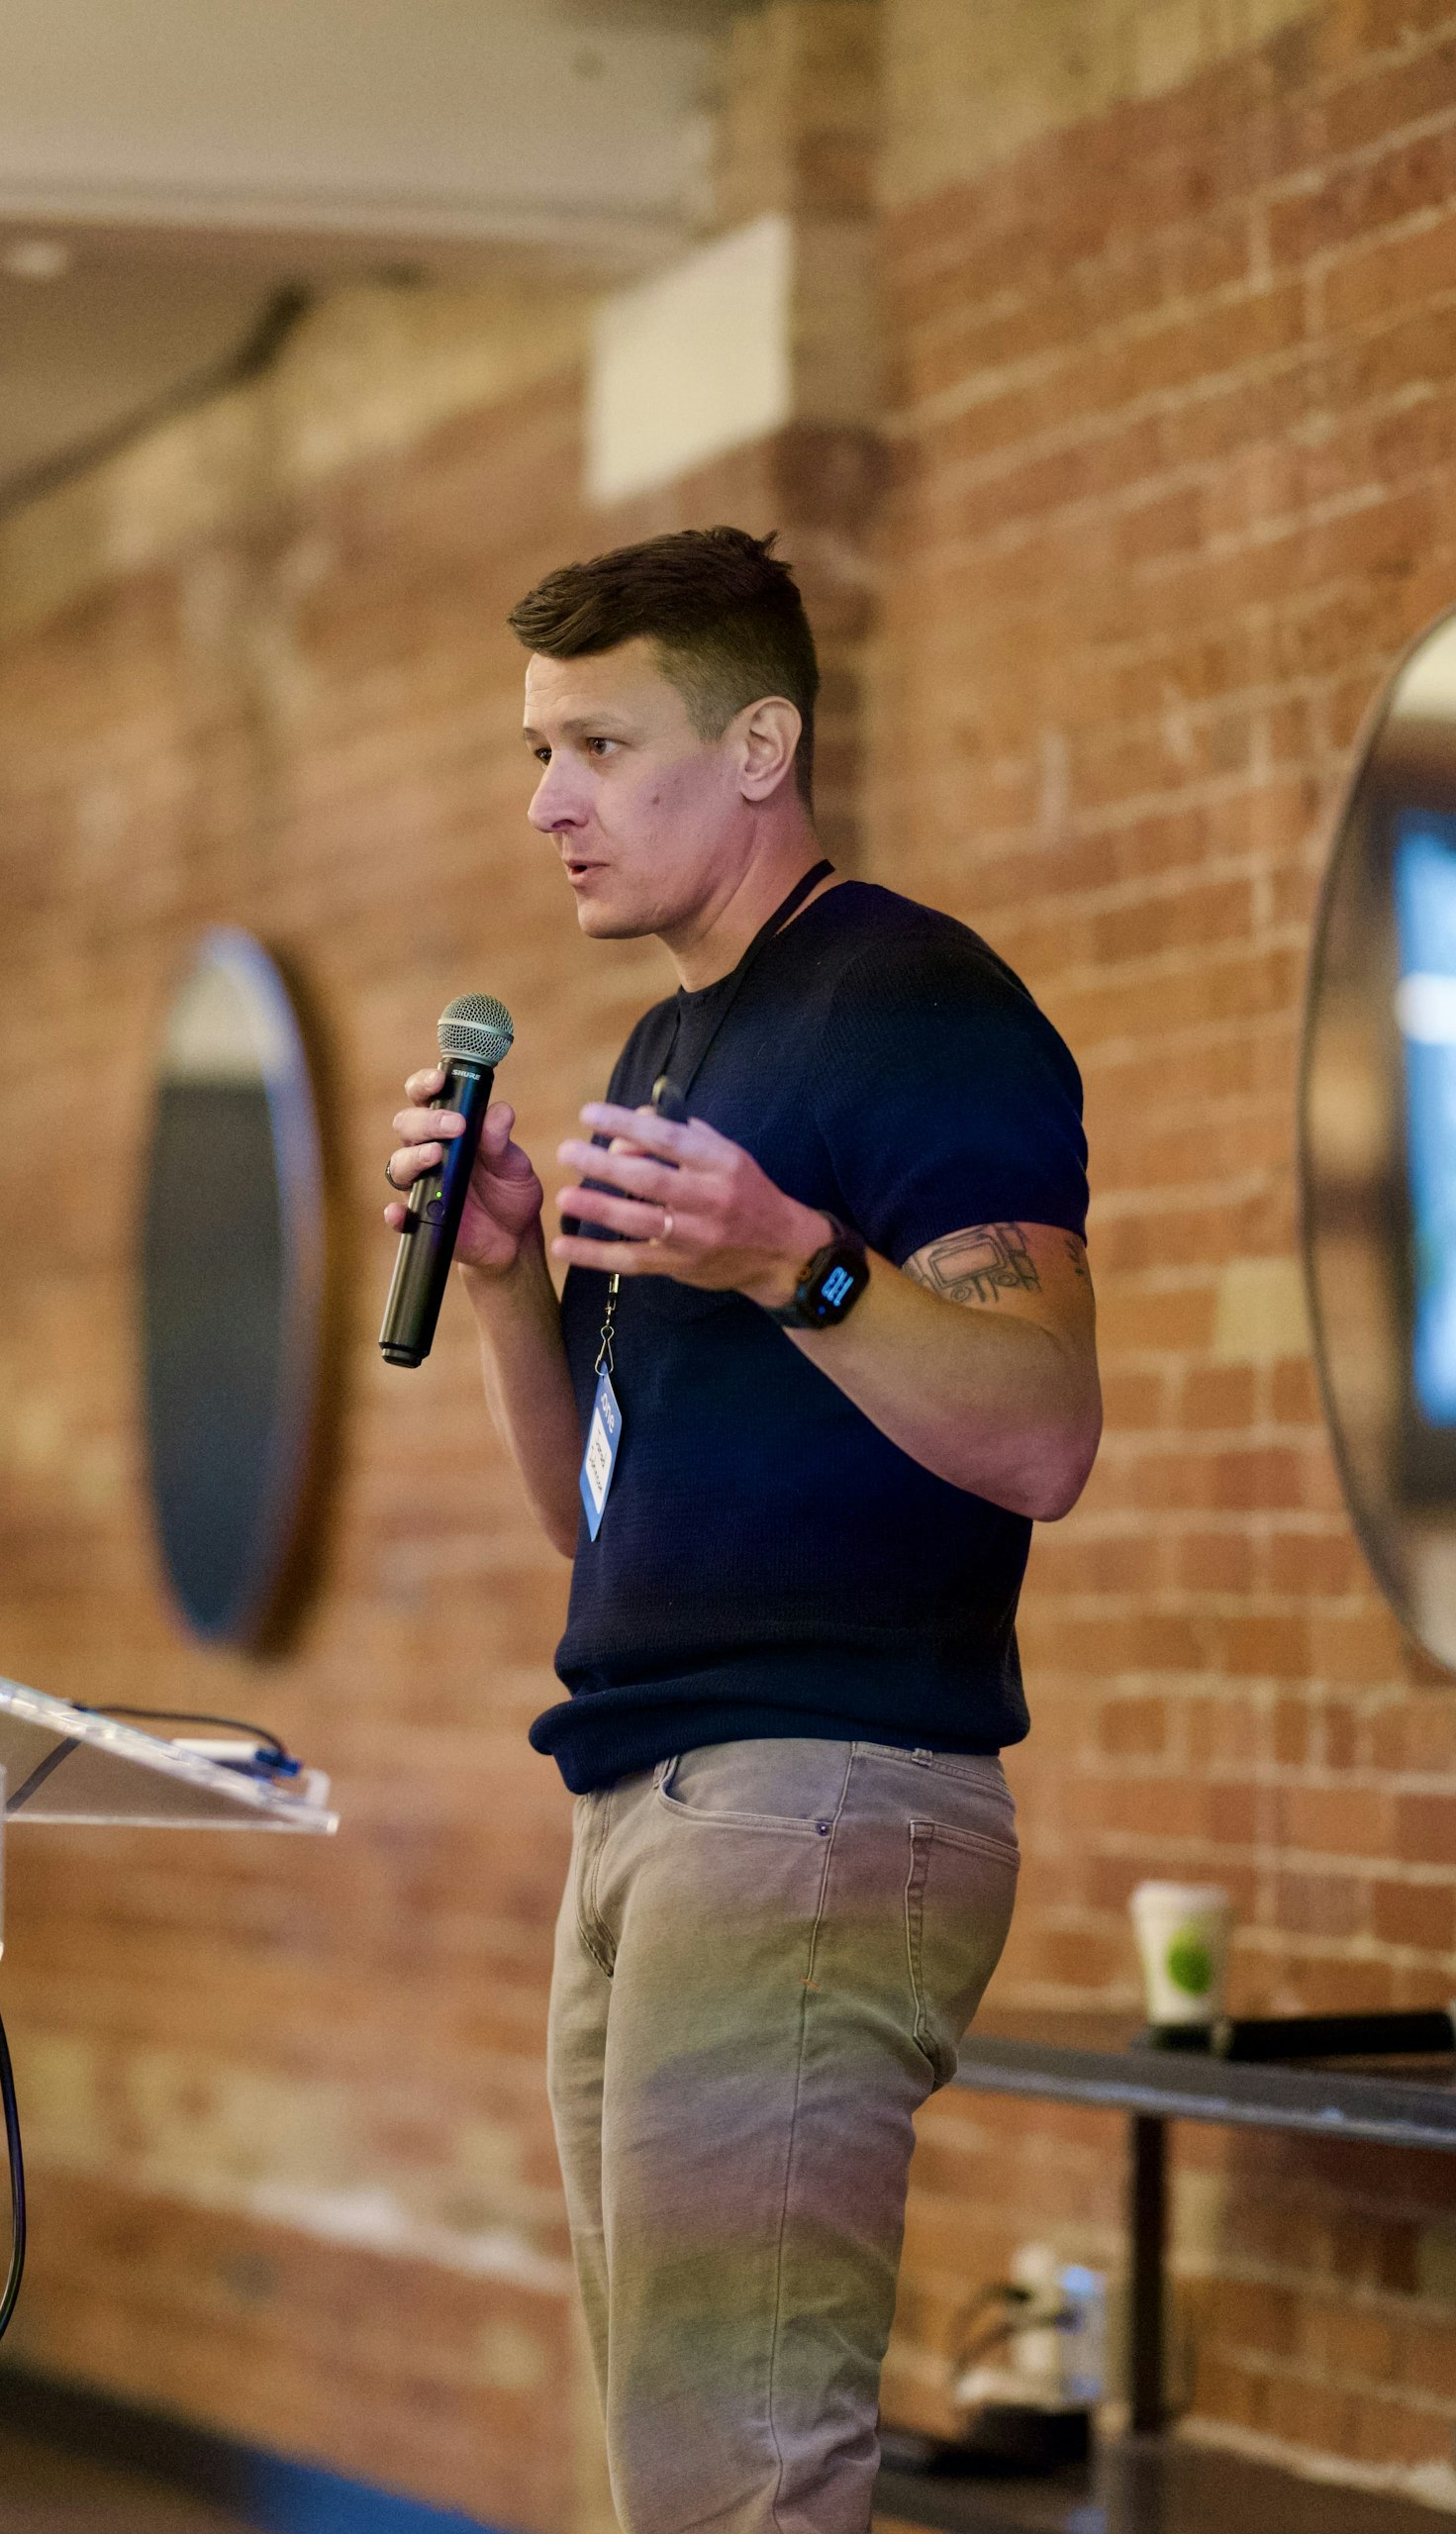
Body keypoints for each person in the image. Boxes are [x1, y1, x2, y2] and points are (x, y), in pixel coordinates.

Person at [382, 527, 1102, 2532]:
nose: (547, 802)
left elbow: (1047, 1429)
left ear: (763, 741)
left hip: (816, 1796)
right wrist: (515, 1280)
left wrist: (806, 1263)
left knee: (740, 2485)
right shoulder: (663, 1047)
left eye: (600, 745)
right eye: (539, 749)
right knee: (666, 2466)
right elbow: (585, 1515)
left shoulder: (917, 1003)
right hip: (646, 1794)